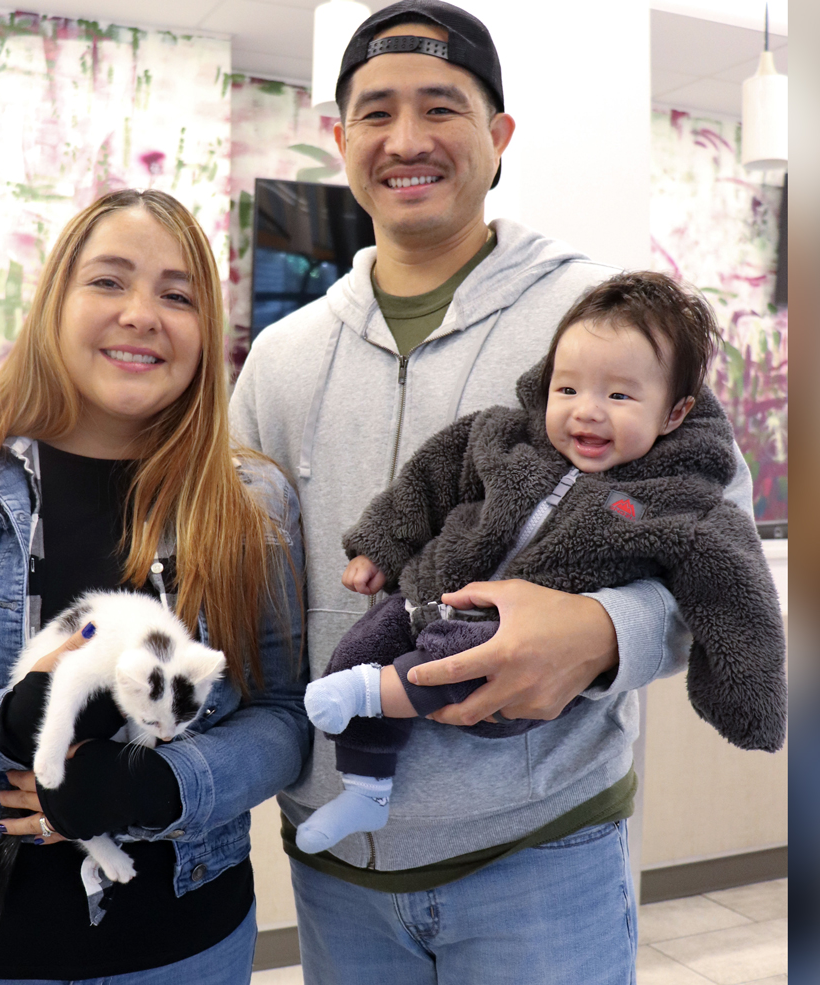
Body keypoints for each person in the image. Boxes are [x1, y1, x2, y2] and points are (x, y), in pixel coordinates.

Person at [229, 2, 757, 981]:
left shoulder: (596, 315)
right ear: (339, 139)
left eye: (443, 107)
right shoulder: (280, 358)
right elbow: (240, 588)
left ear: (498, 135)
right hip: (337, 863)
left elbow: (714, 526)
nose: (408, 139)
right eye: (377, 112)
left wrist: (604, 636)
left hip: (543, 856)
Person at [0, 189, 309, 984]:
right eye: (109, 281)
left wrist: (162, 784)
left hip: (181, 949)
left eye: (177, 295)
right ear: (55, 302)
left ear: (206, 331)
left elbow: (282, 716)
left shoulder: (250, 503)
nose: (142, 314)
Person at [296, 271, 786, 853]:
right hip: (428, 597)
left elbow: (736, 593)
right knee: (355, 648)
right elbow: (430, 479)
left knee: (447, 666)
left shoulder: (682, 498)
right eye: (568, 390)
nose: (587, 412)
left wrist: (750, 701)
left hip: (520, 660)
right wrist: (382, 543)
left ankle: (371, 693)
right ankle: (365, 788)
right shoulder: (506, 439)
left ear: (676, 413)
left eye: (620, 395)